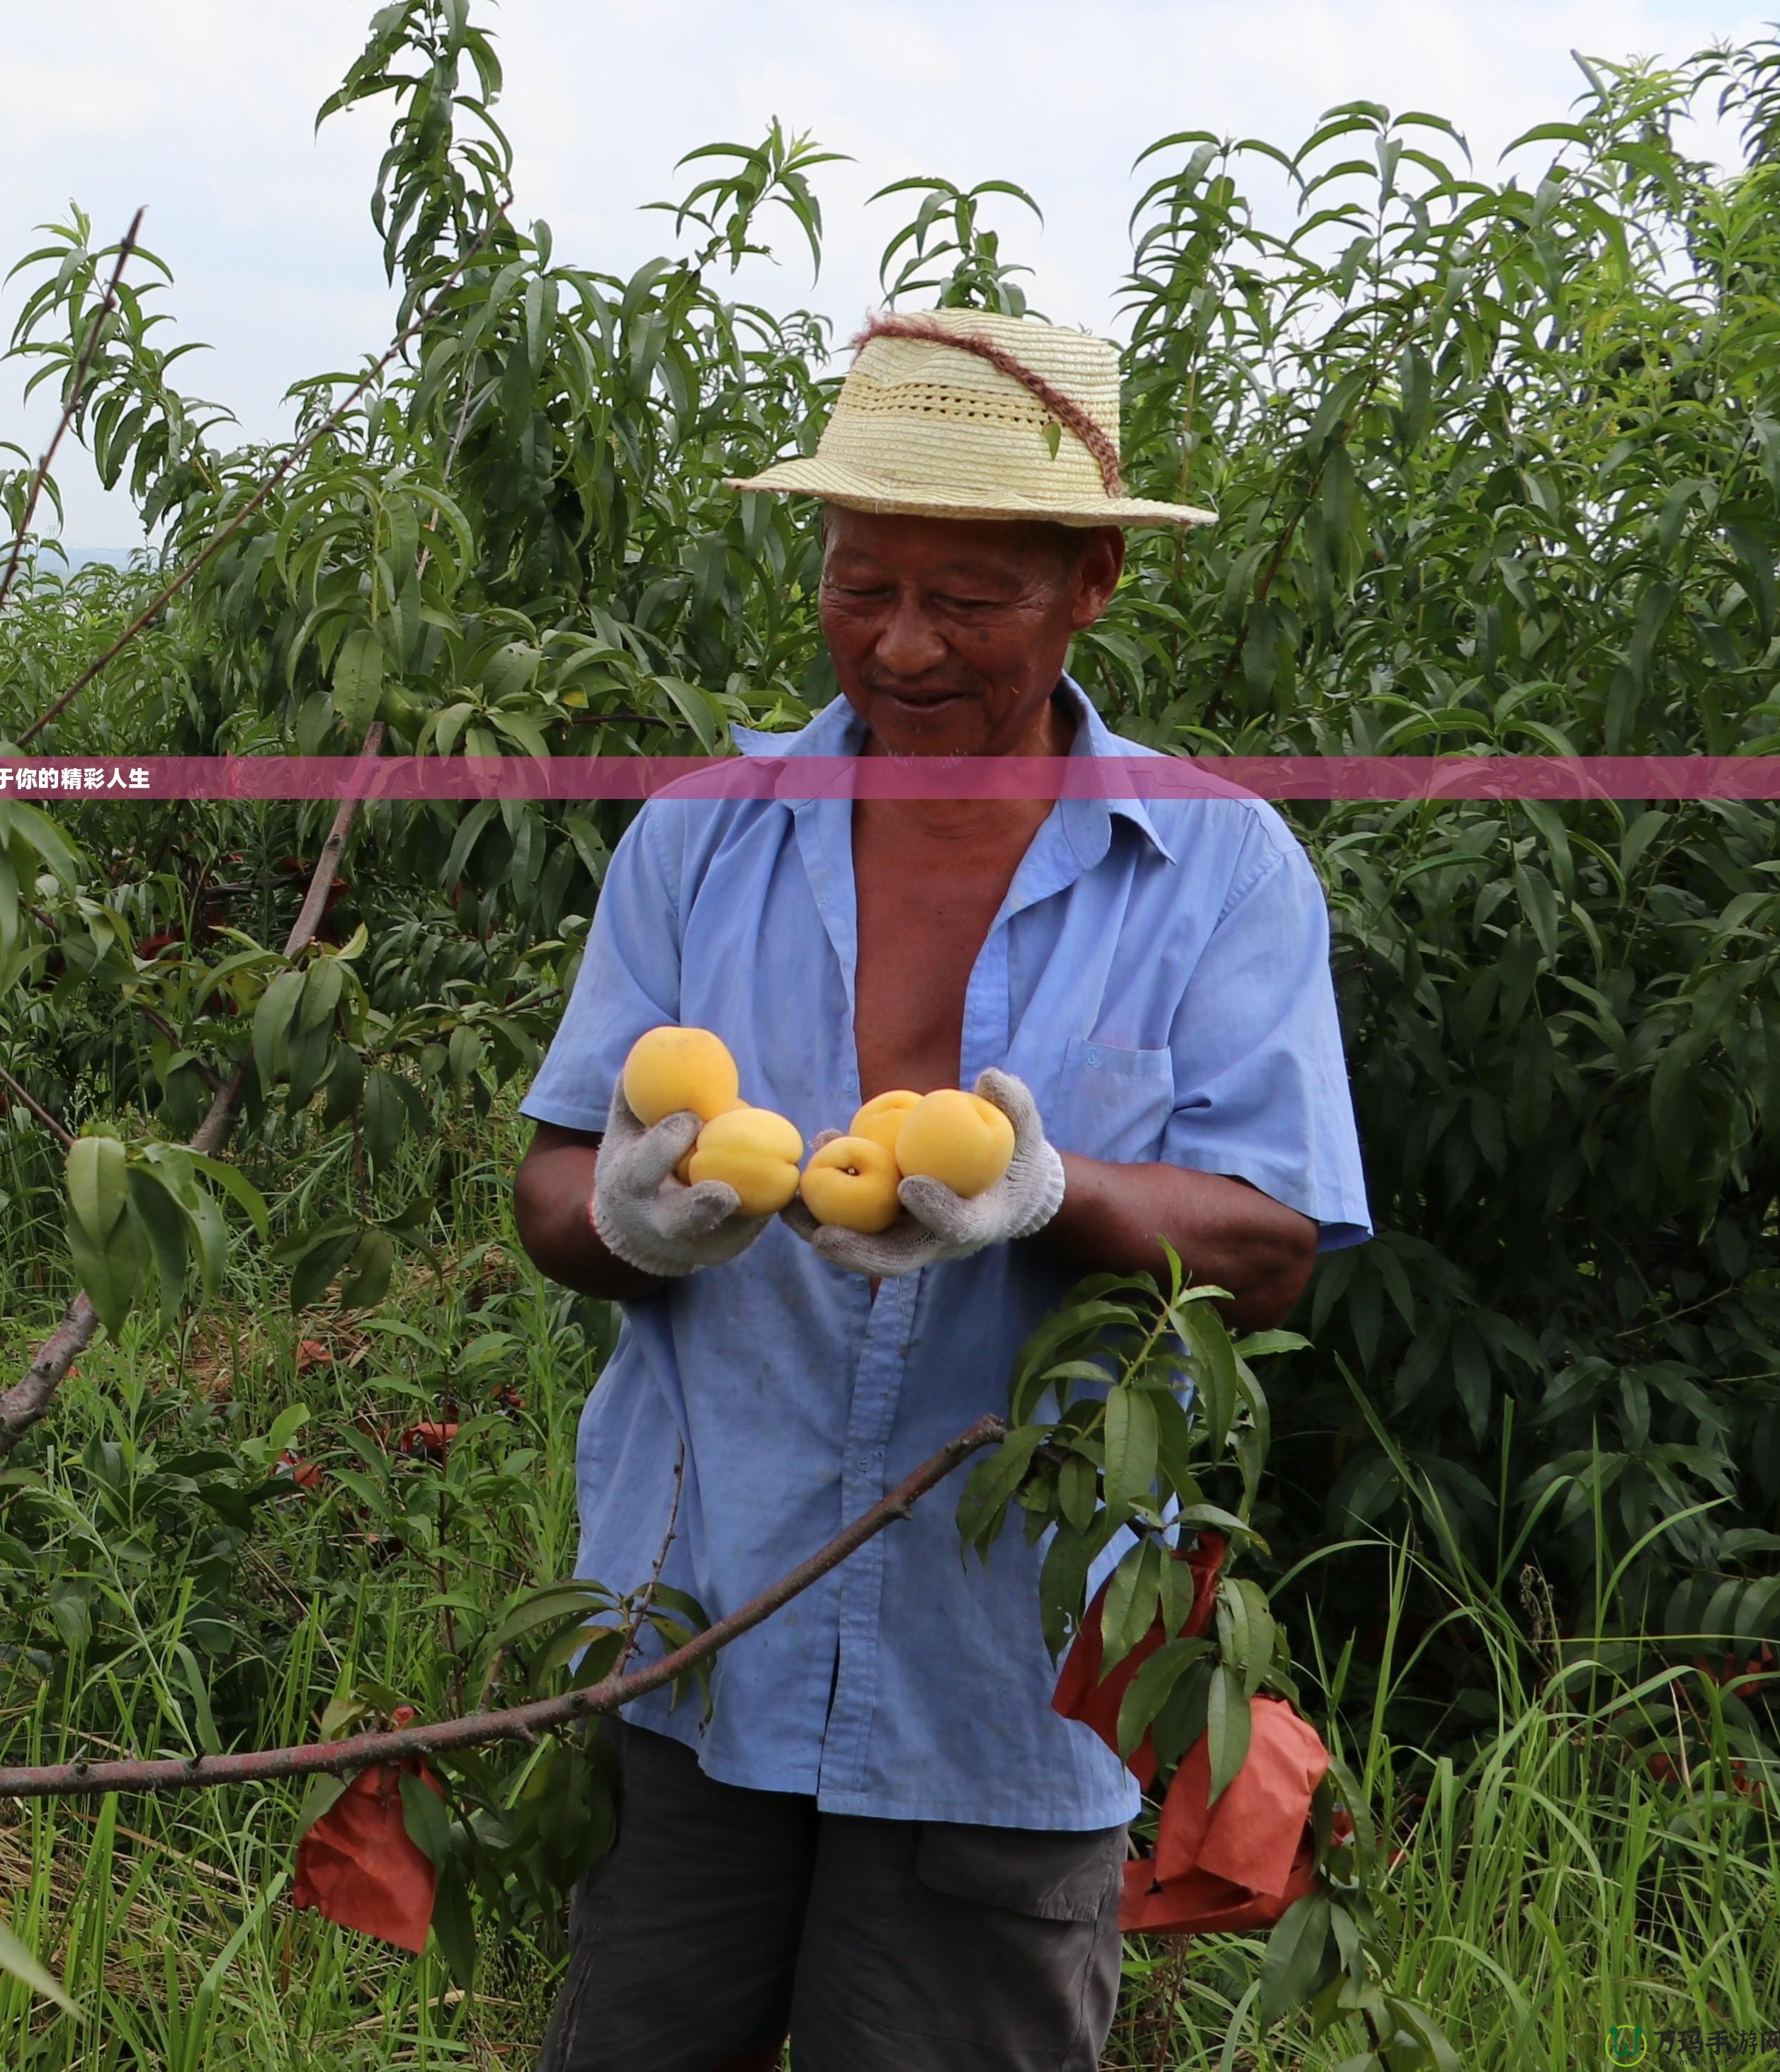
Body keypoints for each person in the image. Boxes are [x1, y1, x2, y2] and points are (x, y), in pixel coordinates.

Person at [509, 310, 1368, 2071]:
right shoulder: (697, 836)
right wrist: (628, 1218)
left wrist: (1049, 1194)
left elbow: (1269, 1249)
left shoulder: (1213, 872)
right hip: (696, 1639)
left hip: (1008, 1675)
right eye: (857, 584)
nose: (899, 645)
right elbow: (549, 1185)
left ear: (1091, 586)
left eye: (968, 601)